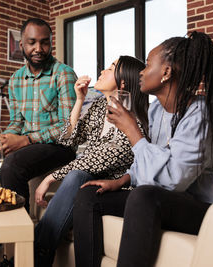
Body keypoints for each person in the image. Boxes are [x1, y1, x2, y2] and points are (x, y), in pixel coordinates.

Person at [73, 31, 213, 267]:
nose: (141, 71)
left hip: (209, 209)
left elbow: (174, 179)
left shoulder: (200, 115)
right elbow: (151, 162)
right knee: (89, 195)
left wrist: (133, 131)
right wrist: (123, 179)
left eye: (148, 64)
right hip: (172, 199)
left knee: (143, 196)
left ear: (166, 72)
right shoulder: (156, 111)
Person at [33, 56, 149, 267]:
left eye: (111, 68)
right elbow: (68, 139)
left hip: (114, 187)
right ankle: (35, 256)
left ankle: (31, 256)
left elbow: (101, 158)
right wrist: (79, 100)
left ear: (122, 83)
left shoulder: (134, 120)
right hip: (85, 179)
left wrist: (51, 177)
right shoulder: (98, 106)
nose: (103, 70)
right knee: (78, 175)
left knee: (78, 174)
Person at [0, 18, 77, 210]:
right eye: (32, 42)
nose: (39, 48)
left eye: (44, 42)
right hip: (26, 144)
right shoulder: (15, 79)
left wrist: (26, 140)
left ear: (50, 43)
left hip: (59, 146)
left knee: (12, 164)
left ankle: (20, 231)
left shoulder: (63, 74)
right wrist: (5, 139)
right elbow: (17, 122)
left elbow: (68, 127)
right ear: (21, 45)